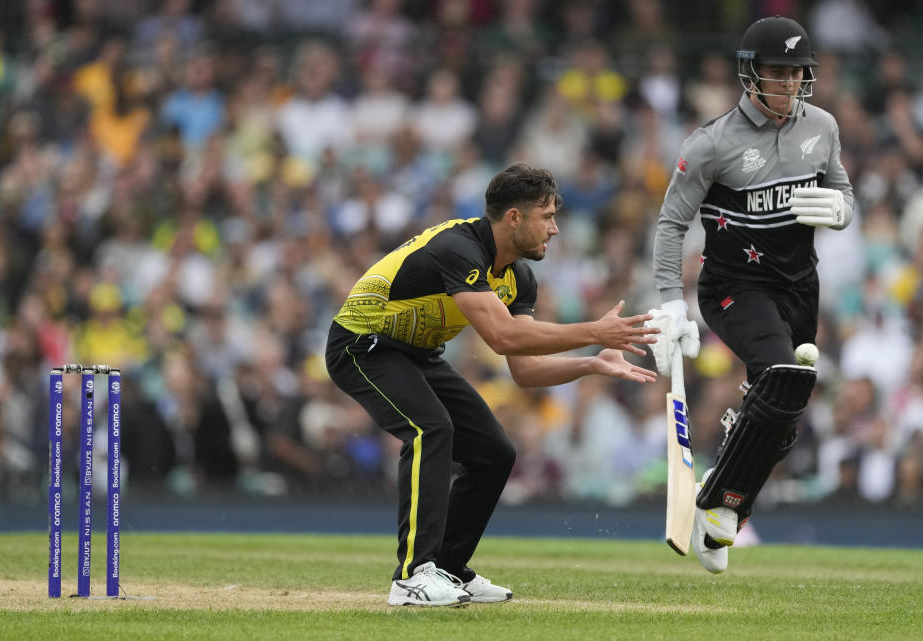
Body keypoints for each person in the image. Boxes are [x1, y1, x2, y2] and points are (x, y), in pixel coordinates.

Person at [326, 164, 659, 606]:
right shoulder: (459, 247)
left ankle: (446, 568)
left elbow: (524, 370)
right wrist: (596, 331)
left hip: (416, 354)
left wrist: (592, 364)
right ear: (515, 218)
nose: (556, 229)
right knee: (431, 428)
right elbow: (502, 336)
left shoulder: (519, 277)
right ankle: (411, 577)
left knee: (494, 454)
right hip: (361, 345)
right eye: (548, 216)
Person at [650, 16, 854, 573]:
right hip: (735, 286)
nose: (788, 84)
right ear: (751, 74)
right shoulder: (712, 143)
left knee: (786, 414)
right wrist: (671, 300)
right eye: (778, 72)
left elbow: (842, 189)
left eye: (797, 74)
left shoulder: (823, 127)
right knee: (781, 377)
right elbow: (671, 224)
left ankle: (723, 486)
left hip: (799, 287)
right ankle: (722, 511)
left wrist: (840, 210)